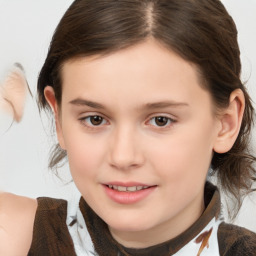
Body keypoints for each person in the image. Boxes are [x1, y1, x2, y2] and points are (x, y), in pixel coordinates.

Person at [1, 0, 256, 255]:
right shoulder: (14, 236)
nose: (123, 157)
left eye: (161, 120)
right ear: (58, 118)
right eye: (95, 119)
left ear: (225, 123)